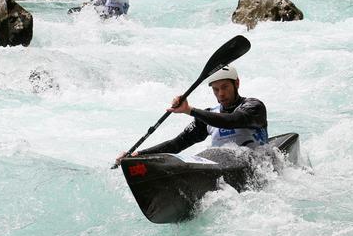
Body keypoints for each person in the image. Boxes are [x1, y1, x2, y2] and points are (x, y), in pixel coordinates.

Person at [115, 65, 268, 165]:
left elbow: (231, 121)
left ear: (237, 84)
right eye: (215, 89)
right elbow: (176, 144)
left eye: (225, 87)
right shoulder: (208, 115)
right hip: (221, 165)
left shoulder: (254, 107)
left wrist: (190, 110)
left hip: (254, 165)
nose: (221, 94)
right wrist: (137, 155)